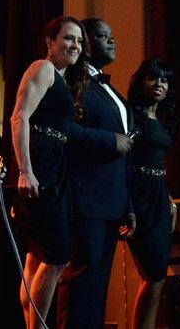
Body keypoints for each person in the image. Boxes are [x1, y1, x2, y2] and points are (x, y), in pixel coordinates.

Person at [9, 16, 88, 328]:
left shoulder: (60, 78)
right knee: (56, 258)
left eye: (80, 41)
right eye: (68, 38)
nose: (75, 46)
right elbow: (19, 118)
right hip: (41, 166)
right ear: (50, 42)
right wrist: (25, 171)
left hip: (53, 166)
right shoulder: (42, 69)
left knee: (38, 257)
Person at [57, 18, 135, 329]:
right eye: (103, 35)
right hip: (86, 197)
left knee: (97, 287)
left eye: (113, 35)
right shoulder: (72, 82)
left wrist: (128, 205)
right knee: (81, 283)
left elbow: (126, 153)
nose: (112, 41)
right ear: (85, 42)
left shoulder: (109, 89)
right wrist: (109, 140)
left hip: (111, 201)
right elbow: (63, 130)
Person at [125, 57, 177, 329]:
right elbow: (124, 162)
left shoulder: (163, 118)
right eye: (153, 77)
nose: (159, 84)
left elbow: (159, 163)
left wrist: (167, 196)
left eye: (165, 79)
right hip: (139, 194)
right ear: (141, 81)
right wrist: (129, 205)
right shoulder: (131, 115)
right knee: (153, 272)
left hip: (158, 196)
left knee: (157, 275)